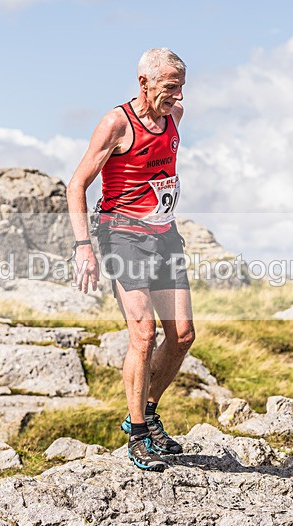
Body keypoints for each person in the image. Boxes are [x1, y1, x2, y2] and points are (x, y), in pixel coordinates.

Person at [67, 48, 195, 471]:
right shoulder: (116, 124)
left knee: (182, 336)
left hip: (164, 234)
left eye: (181, 87)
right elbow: (77, 185)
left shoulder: (174, 116)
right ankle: (137, 434)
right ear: (144, 83)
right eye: (170, 87)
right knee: (144, 333)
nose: (178, 96)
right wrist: (83, 246)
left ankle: (148, 413)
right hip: (122, 235)